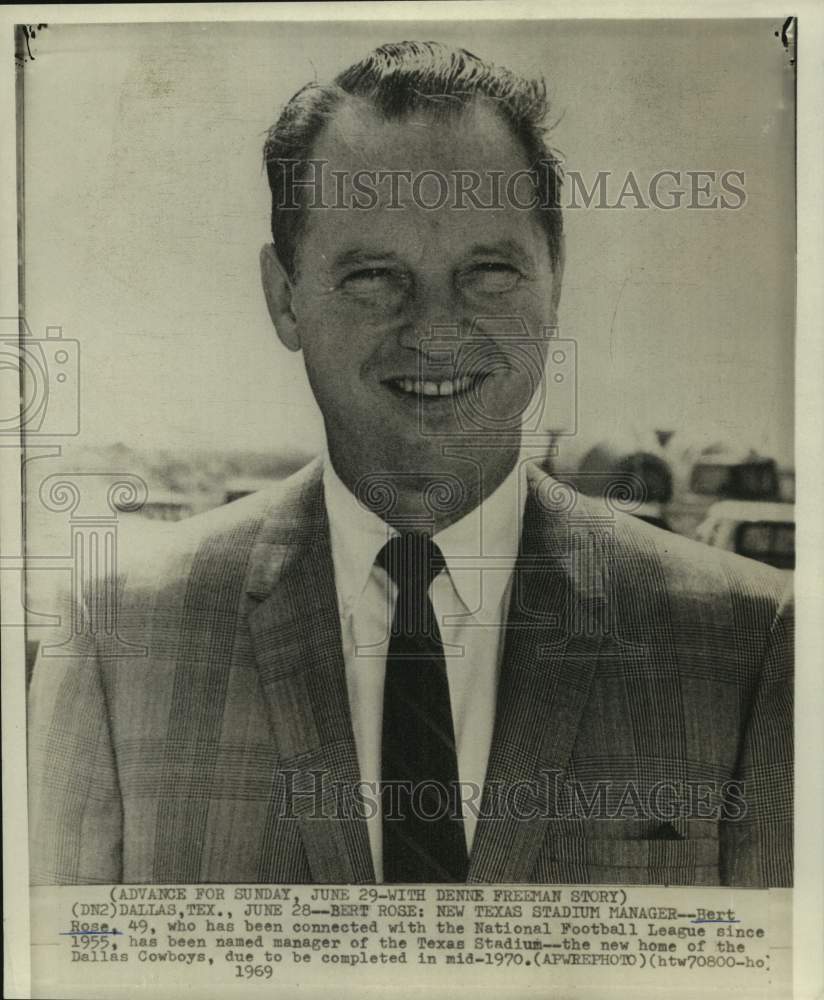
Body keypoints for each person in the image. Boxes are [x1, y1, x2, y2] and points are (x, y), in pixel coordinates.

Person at [28, 41, 792, 886]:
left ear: (556, 281)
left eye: (489, 273)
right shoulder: (114, 638)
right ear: (284, 298)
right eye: (372, 277)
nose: (435, 329)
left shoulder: (751, 645)